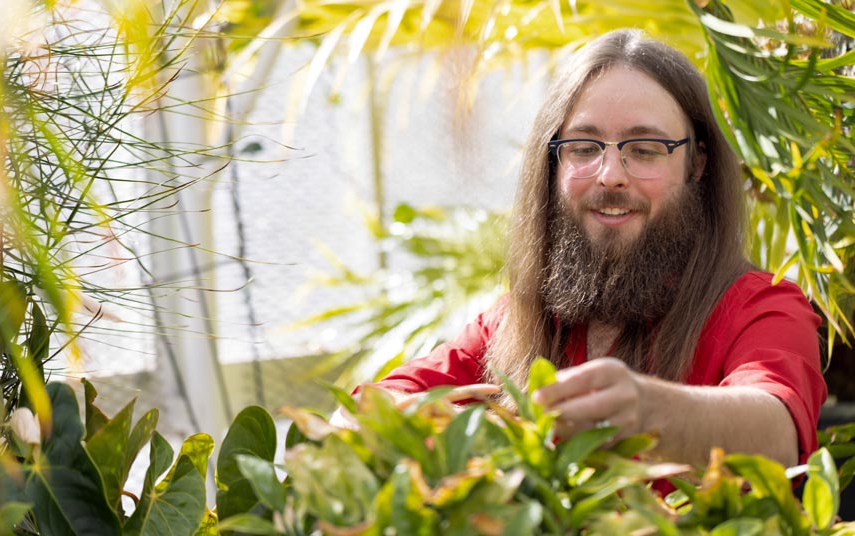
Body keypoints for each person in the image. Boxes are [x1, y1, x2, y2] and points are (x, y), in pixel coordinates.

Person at [331, 29, 827, 474]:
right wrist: (443, 426)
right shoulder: (513, 323)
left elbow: (776, 432)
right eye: (584, 148)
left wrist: (645, 411)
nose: (610, 174)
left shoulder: (763, 307)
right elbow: (356, 413)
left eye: (645, 149)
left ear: (697, 165)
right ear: (552, 163)